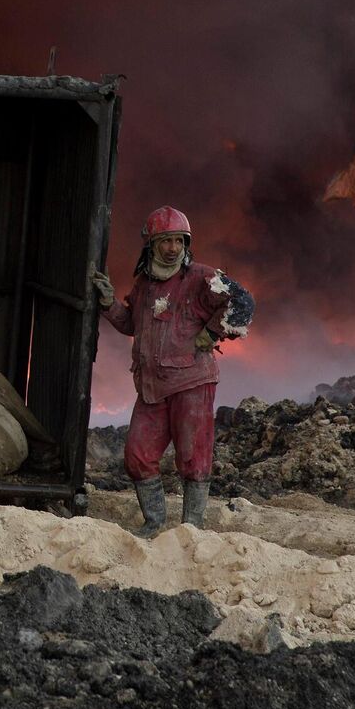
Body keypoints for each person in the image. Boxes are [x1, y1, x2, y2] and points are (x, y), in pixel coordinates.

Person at [91, 206, 253, 536]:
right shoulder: (145, 285)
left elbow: (243, 301)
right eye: (165, 241)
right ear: (151, 244)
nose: (172, 248)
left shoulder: (201, 278)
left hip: (191, 382)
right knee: (137, 454)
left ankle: (191, 530)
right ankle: (154, 523)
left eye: (179, 241)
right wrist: (108, 303)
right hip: (152, 388)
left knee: (193, 458)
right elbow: (131, 324)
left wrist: (212, 331)